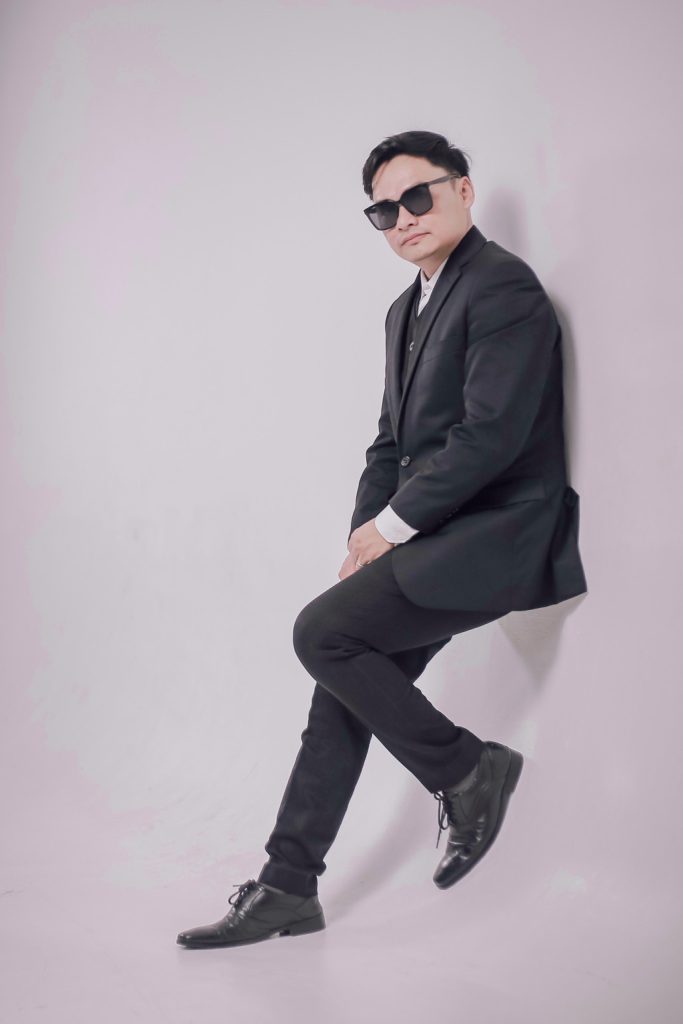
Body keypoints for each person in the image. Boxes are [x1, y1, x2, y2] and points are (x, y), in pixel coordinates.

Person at [176, 130, 587, 949]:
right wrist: (364, 536)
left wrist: (395, 526)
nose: (402, 218)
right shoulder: (406, 308)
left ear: (463, 190)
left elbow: (491, 435)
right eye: (383, 210)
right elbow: (389, 445)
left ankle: (467, 769)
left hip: (500, 532)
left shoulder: (501, 285)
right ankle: (289, 885)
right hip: (437, 532)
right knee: (343, 687)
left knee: (320, 635)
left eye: (417, 196)